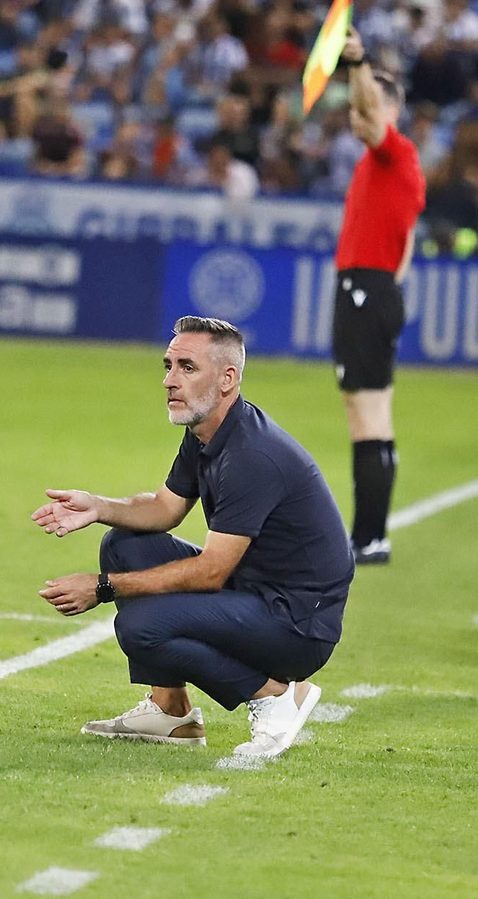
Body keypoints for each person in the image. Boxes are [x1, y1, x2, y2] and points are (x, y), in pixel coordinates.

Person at [33, 316, 353, 760]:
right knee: (124, 544)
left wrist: (103, 588)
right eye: (168, 365)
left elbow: (210, 571)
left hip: (296, 624)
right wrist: (99, 507)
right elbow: (165, 508)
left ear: (228, 379)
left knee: (141, 626)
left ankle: (276, 696)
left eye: (186, 368)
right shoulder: (207, 432)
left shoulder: (251, 454)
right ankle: (171, 712)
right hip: (254, 593)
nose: (169, 380)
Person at [332, 26, 425, 565]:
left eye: (365, 106)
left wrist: (359, 61)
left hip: (367, 288)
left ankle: (369, 535)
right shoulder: (388, 165)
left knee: (365, 414)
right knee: (373, 413)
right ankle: (372, 532)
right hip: (376, 286)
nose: (354, 116)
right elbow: (406, 240)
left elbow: (369, 110)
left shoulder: (396, 154)